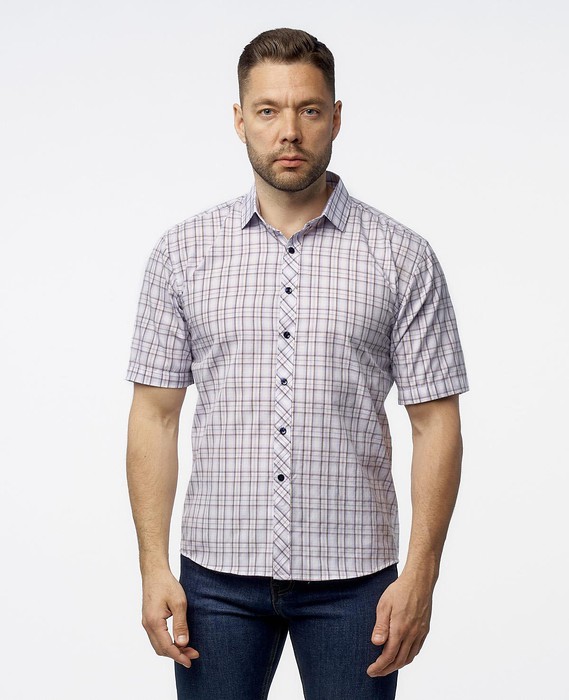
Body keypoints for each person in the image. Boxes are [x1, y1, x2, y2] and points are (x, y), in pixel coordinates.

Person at [125, 27, 469, 700]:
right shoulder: (181, 254)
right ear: (239, 120)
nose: (289, 131)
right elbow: (154, 417)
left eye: (308, 109)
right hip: (214, 580)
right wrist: (152, 566)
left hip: (356, 581)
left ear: (335, 117)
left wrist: (421, 574)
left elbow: (437, 424)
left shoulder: (402, 257)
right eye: (268, 110)